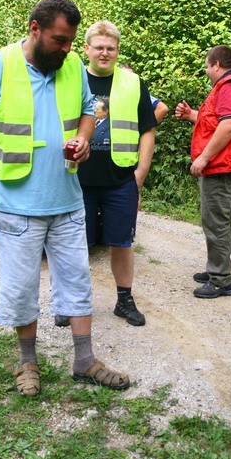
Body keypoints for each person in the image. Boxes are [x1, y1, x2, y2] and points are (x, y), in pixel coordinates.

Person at [0, 0, 130, 396]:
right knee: (21, 287)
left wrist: (83, 137)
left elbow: (87, 109)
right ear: (34, 29)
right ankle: (27, 362)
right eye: (59, 40)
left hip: (67, 199)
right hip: (18, 207)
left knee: (78, 282)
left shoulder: (73, 68)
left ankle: (84, 361)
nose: (66, 49)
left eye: (70, 42)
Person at [72, 20, 157, 328]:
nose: (105, 53)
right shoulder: (71, 78)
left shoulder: (133, 83)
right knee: (73, 244)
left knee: (122, 242)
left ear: (117, 50)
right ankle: (70, 302)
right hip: (76, 180)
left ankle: (124, 300)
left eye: (110, 48)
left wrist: (141, 171)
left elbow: (148, 130)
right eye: (99, 47)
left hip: (121, 180)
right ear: (87, 49)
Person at [174, 45, 231, 298]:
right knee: (214, 220)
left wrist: (203, 158)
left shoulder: (230, 86)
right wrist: (192, 114)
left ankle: (221, 280)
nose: (206, 71)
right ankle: (216, 268)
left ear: (216, 64)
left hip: (224, 165)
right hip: (228, 163)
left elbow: (230, 124)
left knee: (216, 222)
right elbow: (217, 122)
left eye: (206, 66)